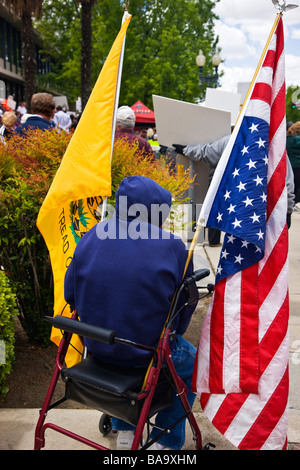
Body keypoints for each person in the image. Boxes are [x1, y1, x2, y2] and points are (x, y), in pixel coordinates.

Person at [64, 175, 198, 450]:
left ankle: (125, 431)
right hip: (145, 354)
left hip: (96, 346)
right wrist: (175, 335)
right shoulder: (172, 247)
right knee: (198, 367)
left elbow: (70, 295)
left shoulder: (93, 235)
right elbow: (184, 308)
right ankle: (166, 441)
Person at [173, 133, 295, 231]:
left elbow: (207, 152)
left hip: (239, 211)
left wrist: (186, 150)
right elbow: (287, 180)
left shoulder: (233, 139)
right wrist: (288, 209)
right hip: (266, 212)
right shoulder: (273, 143)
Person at [286, 121, 300, 205]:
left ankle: (292, 201)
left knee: (292, 185)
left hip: (290, 165)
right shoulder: (298, 140)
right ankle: (297, 202)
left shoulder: (288, 139)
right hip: (299, 166)